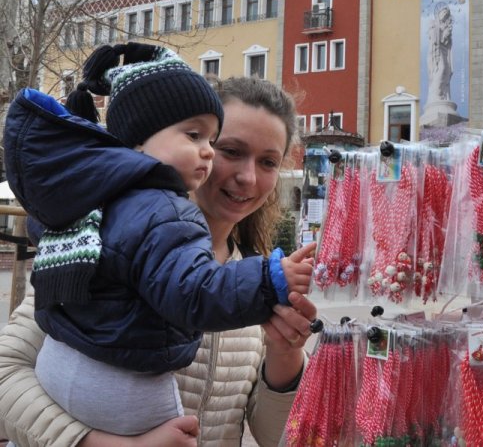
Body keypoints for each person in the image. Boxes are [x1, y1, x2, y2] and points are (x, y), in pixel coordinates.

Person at [1, 42, 316, 438]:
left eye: (268, 162)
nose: (248, 178)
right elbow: (6, 374)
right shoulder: (97, 237)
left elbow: (276, 436)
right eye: (228, 150)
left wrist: (285, 354)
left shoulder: (255, 274)